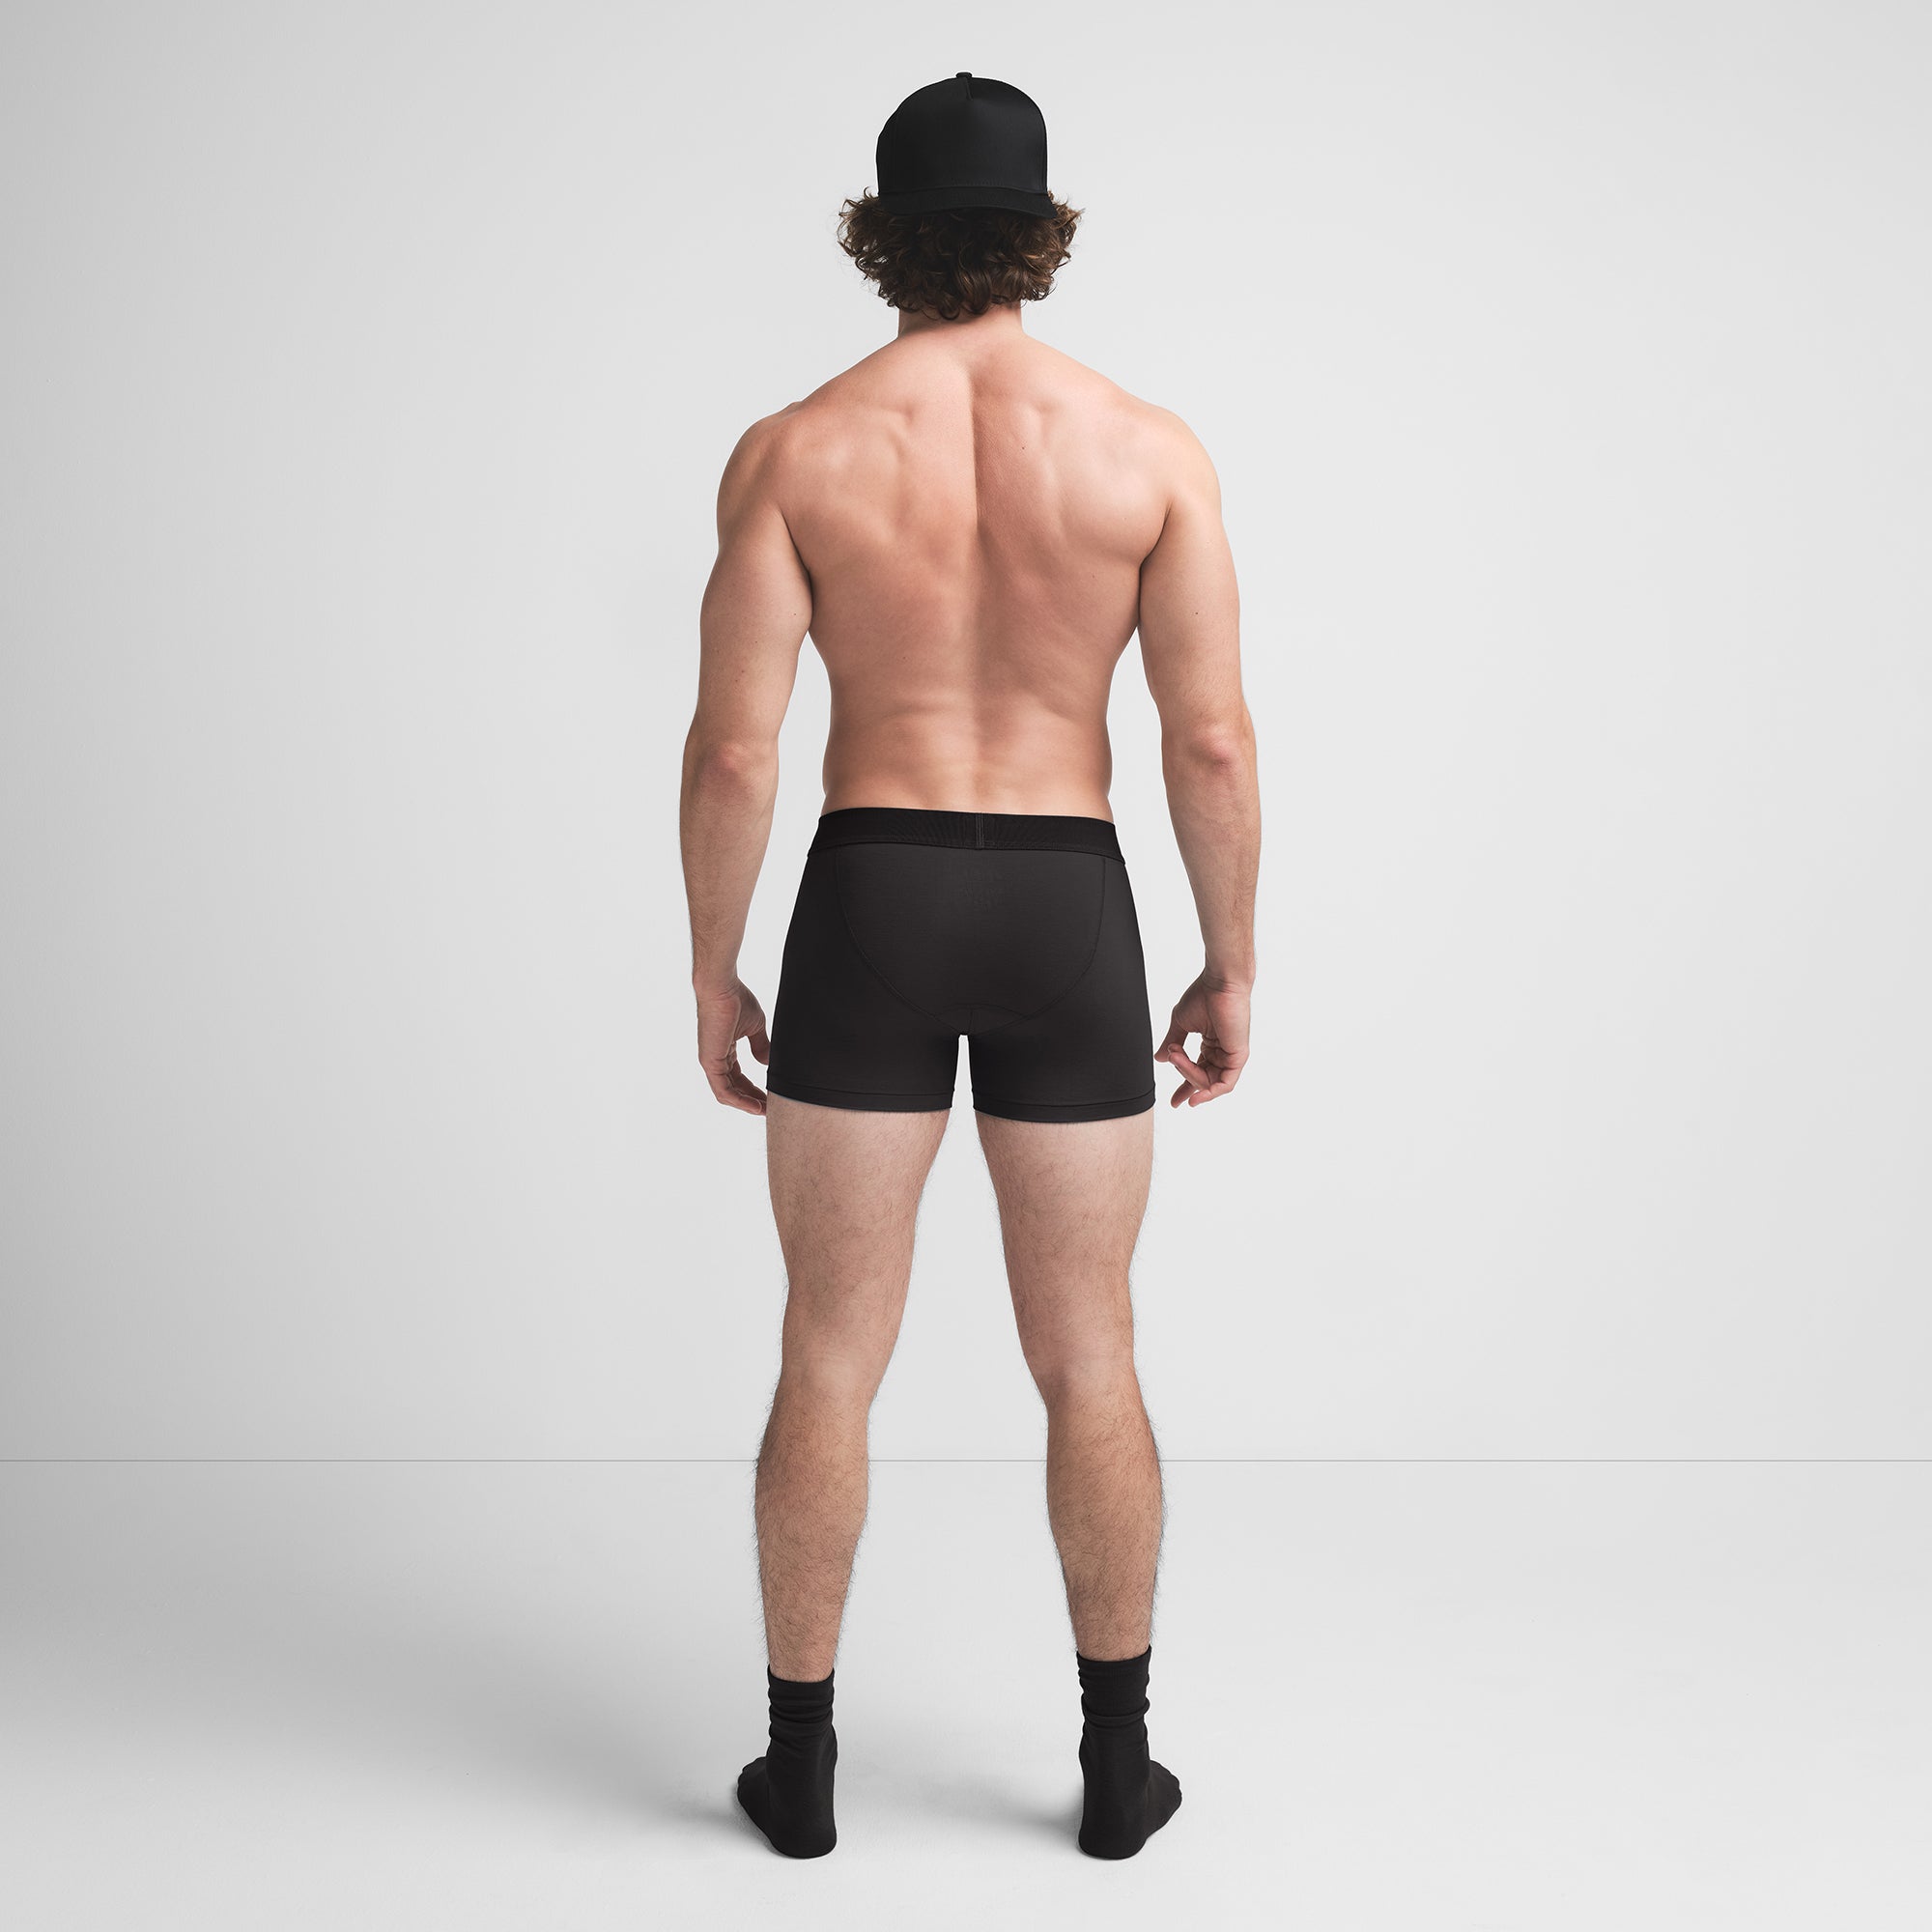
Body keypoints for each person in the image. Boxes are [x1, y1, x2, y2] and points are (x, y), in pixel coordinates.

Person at [679, 71, 1259, 1861]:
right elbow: (1209, 740)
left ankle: (798, 1771)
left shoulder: (796, 451)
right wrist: (1230, 961)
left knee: (828, 1350)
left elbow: (737, 751)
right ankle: (1118, 1769)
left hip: (872, 893)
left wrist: (714, 968)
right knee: (1090, 1355)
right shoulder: (1147, 450)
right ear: (1040, 235)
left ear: (882, 238)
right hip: (1068, 905)